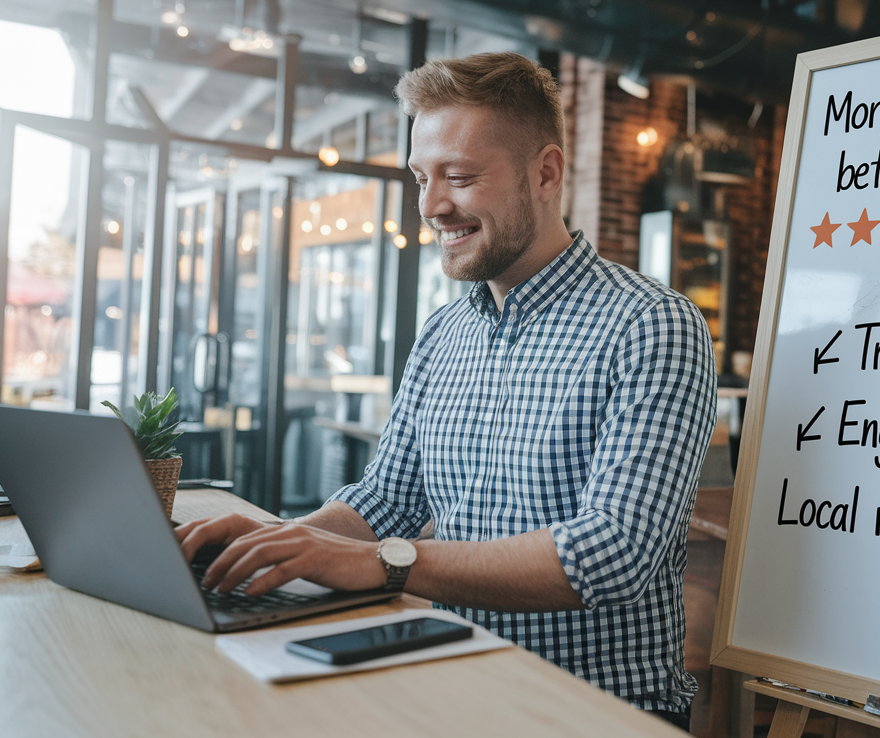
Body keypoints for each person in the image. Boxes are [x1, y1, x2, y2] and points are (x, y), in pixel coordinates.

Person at [177, 52, 718, 728]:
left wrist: (383, 564)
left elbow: (611, 555)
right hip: (452, 675)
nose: (431, 207)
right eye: (422, 177)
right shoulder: (444, 333)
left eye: (459, 177)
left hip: (594, 710)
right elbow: (384, 501)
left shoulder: (653, 325)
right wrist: (275, 542)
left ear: (545, 173)